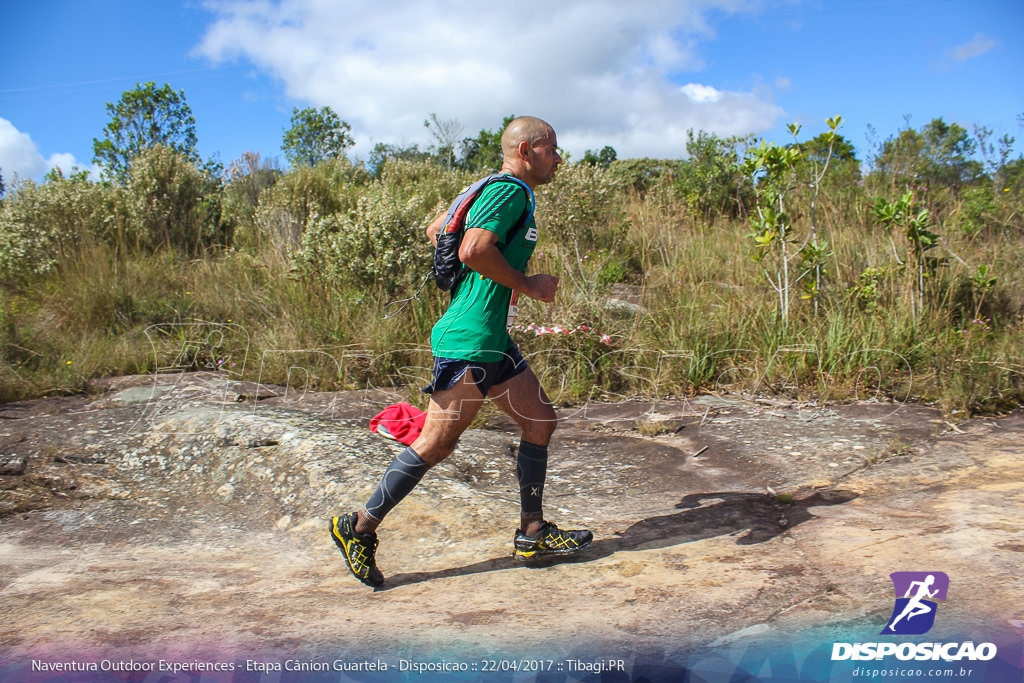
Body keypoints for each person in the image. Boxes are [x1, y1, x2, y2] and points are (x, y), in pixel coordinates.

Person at [330, 116, 592, 587]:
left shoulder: (490, 189)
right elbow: (471, 249)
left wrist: (495, 283)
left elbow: (438, 230)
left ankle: (532, 533)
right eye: (553, 148)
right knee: (436, 443)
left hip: (490, 338)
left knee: (540, 422)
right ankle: (358, 527)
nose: (559, 158)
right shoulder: (509, 191)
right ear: (527, 150)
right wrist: (525, 284)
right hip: (470, 339)